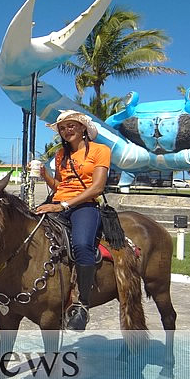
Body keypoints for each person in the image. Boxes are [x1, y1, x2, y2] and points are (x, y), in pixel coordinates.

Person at [35, 110, 111, 331]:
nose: (66, 130)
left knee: (81, 245)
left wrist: (64, 205)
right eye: (62, 127)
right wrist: (44, 176)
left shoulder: (100, 150)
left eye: (71, 126)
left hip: (85, 205)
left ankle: (82, 303)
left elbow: (97, 187)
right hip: (59, 202)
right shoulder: (60, 155)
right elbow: (60, 186)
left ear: (83, 128)